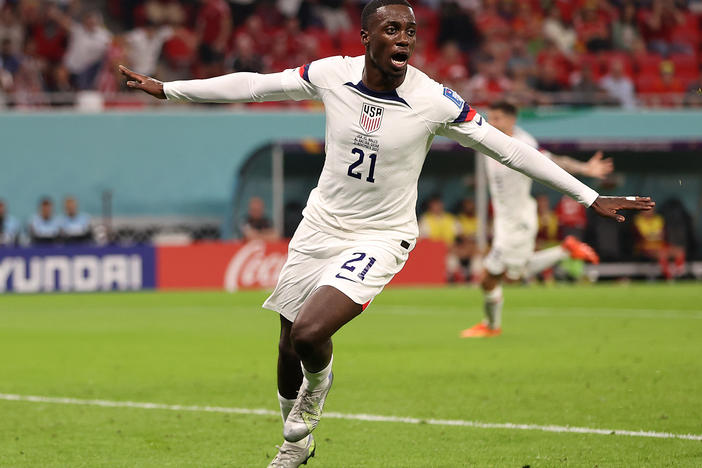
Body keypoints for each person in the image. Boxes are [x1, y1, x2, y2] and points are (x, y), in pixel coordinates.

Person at [119, 1, 654, 465]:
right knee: (286, 345)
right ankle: (296, 446)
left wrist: (587, 194)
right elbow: (257, 85)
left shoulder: (434, 100)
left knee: (309, 334)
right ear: (367, 37)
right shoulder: (331, 74)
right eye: (393, 29)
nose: (404, 39)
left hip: (382, 235)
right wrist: (170, 89)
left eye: (411, 31)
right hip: (321, 225)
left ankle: (318, 391)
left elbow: (509, 148)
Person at [461, 101, 614, 338]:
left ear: (512, 120)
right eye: (491, 117)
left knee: (496, 278)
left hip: (517, 223)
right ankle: (492, 326)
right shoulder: (489, 138)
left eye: (498, 118)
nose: (493, 123)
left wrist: (585, 168)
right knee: (504, 276)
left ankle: (492, 326)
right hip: (507, 221)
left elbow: (552, 161)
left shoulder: (523, 143)